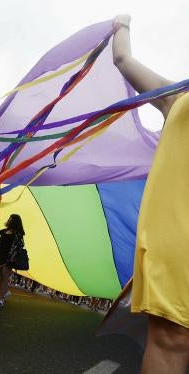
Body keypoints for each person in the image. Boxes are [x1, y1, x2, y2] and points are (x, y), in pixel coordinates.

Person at [112, 15, 189, 373]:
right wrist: (120, 25)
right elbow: (123, 60)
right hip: (178, 232)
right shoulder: (177, 96)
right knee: (172, 336)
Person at [0, 214, 25, 307]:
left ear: (15, 222)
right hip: (0, 256)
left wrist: (12, 257)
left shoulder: (18, 234)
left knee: (4, 277)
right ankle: (3, 292)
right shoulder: (5, 230)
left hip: (9, 258)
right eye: (9, 218)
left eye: (11, 219)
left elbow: (20, 246)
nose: (9, 220)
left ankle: (1, 299)